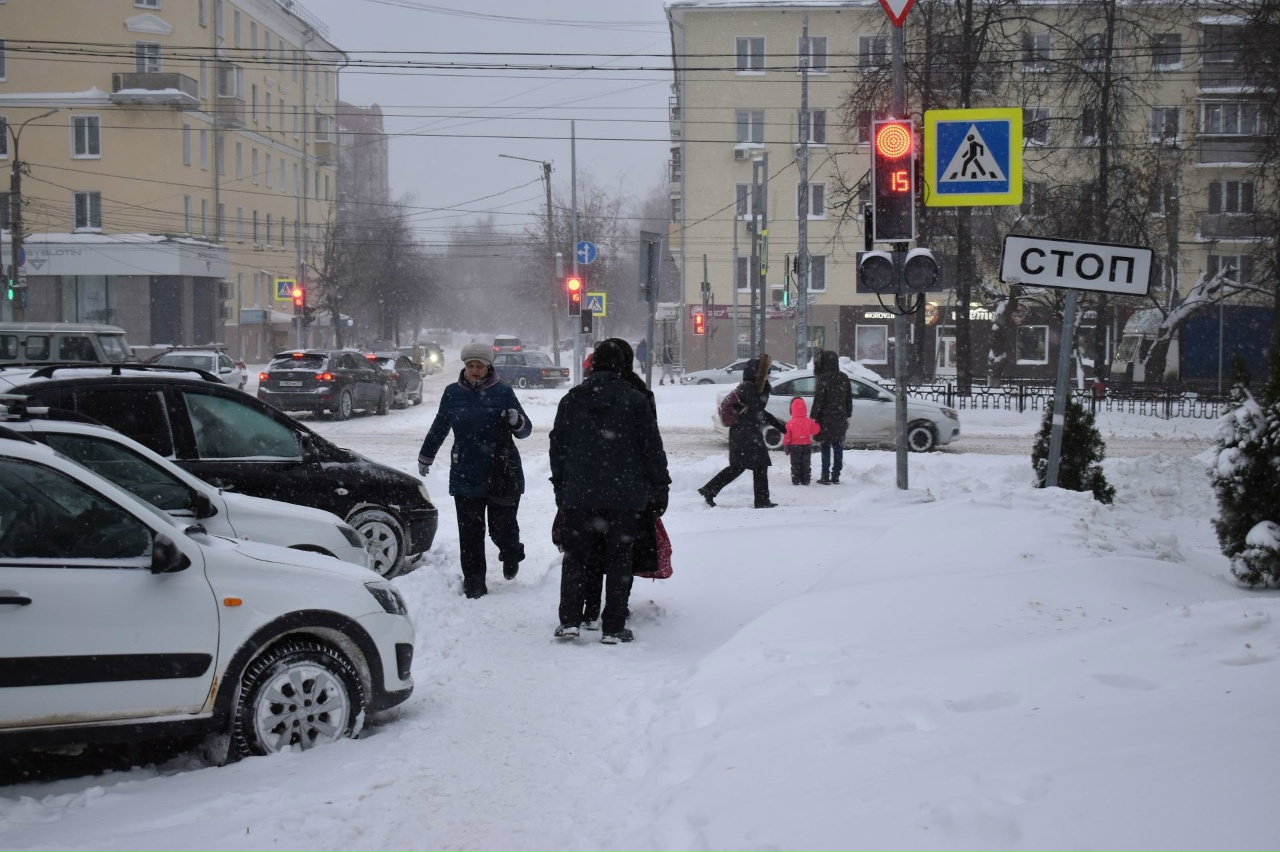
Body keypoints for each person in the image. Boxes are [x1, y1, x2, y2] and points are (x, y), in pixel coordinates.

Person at [549, 338, 670, 644]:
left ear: (593, 364)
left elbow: (557, 446)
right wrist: (660, 486)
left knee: (576, 557)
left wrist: (560, 486)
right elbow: (652, 448)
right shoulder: (635, 400)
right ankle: (613, 627)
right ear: (621, 365)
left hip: (579, 494)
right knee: (619, 559)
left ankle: (570, 620)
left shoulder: (571, 399)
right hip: (625, 496)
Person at [417, 341, 532, 599]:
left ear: (488, 366)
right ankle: (474, 582)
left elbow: (525, 431)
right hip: (465, 471)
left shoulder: (503, 392)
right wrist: (426, 456)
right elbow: (439, 426)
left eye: (479, 365)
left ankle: (511, 552)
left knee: (502, 528)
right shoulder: (452, 393)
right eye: (471, 365)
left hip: (501, 471)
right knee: (470, 533)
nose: (475, 370)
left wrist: (517, 420)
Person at [698, 354, 785, 509]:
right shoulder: (748, 388)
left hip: (744, 433)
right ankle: (761, 500)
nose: (768, 376)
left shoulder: (748, 387)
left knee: (738, 467)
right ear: (757, 373)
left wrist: (780, 426)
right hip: (745, 434)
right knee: (758, 465)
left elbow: (759, 412)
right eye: (766, 373)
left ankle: (709, 490)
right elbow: (759, 408)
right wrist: (766, 390)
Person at [810, 350, 852, 485]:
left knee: (826, 447)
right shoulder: (844, 377)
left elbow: (818, 400)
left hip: (825, 418)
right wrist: (848, 413)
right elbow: (848, 398)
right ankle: (836, 475)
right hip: (840, 417)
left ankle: (825, 475)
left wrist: (813, 416)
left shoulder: (823, 379)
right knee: (838, 446)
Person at [782, 396, 821, 485]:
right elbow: (815, 431)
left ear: (792, 409)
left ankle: (796, 479)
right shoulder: (809, 421)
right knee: (806, 463)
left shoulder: (790, 423)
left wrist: (786, 445)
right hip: (806, 445)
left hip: (794, 446)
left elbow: (787, 436)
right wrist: (817, 424)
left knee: (795, 464)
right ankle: (806, 479)